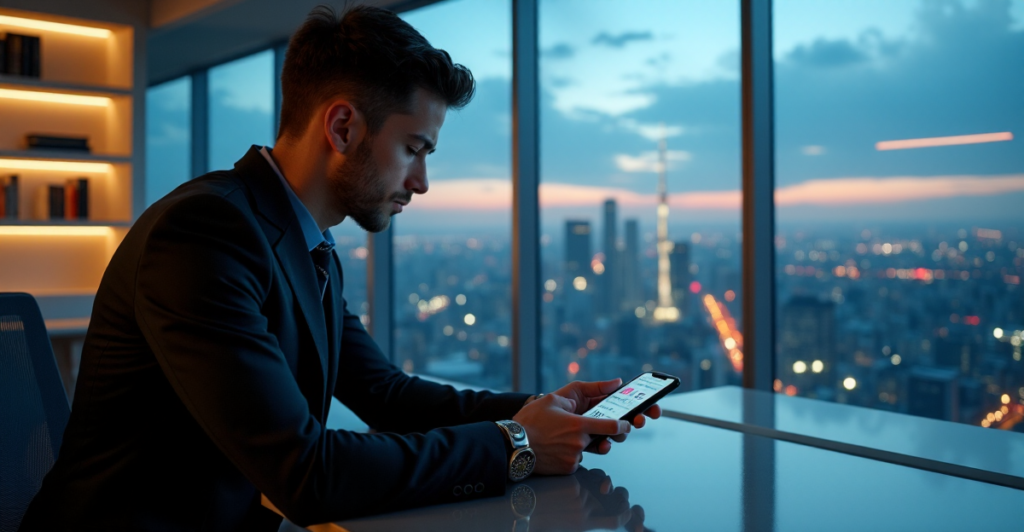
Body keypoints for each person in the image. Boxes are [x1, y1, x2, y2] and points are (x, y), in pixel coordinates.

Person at [19, 6, 661, 531]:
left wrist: (544, 410)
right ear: (344, 127)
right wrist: (517, 447)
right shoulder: (203, 235)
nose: (422, 182)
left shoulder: (305, 244)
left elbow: (385, 394)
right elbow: (306, 474)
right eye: (413, 149)